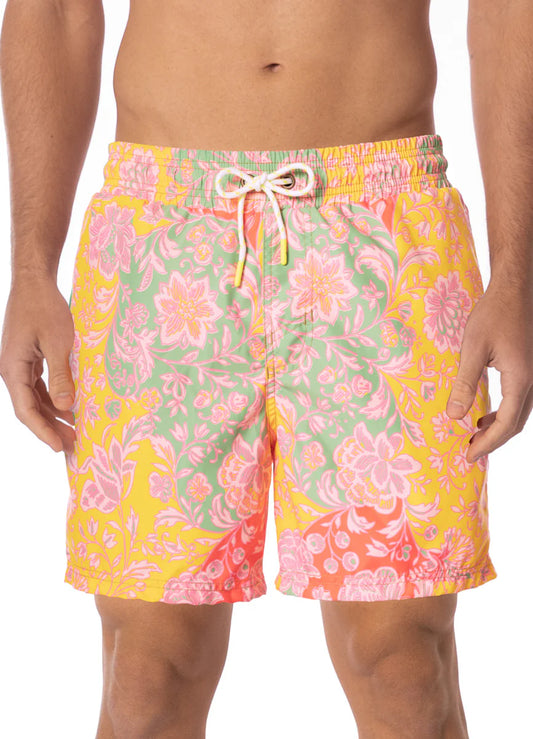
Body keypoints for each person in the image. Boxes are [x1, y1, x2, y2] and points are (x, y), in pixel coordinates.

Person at [0, 1, 532, 737]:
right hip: (161, 241)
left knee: (405, 673)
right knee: (146, 679)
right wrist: (31, 269)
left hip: (387, 230)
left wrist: (515, 276)